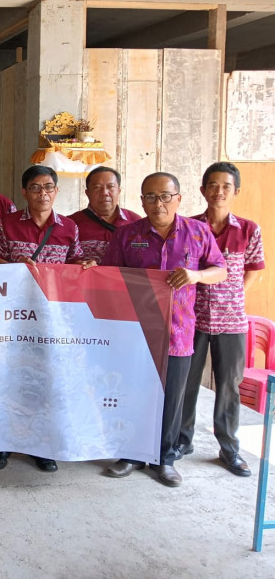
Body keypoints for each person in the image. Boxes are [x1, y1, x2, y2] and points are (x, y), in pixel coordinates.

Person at [103, 172, 226, 487]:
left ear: (179, 198)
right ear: (141, 200)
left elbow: (220, 270)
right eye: (150, 197)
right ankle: (131, 454)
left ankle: (165, 458)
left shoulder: (198, 233)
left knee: (172, 399)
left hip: (178, 332)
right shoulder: (127, 234)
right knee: (135, 394)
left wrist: (196, 276)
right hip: (136, 331)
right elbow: (109, 274)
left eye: (165, 196)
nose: (158, 203)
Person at [0, 165, 96, 473]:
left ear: (56, 191)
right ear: (24, 192)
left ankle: (41, 445)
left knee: (46, 380)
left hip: (51, 320)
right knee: (9, 379)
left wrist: (86, 264)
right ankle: (4, 444)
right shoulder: (7, 224)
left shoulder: (68, 228)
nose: (42, 193)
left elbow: (75, 264)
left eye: (48, 187)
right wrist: (14, 265)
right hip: (13, 318)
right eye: (35, 188)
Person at [179, 162, 265, 477]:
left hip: (232, 322)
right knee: (186, 382)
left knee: (229, 385)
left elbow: (254, 270)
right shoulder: (188, 226)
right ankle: (181, 440)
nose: (219, 192)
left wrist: (231, 297)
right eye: (212, 185)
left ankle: (229, 449)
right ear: (202, 190)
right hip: (191, 319)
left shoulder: (249, 229)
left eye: (226, 186)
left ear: (235, 191)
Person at [68, 166, 142, 263]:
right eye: (97, 187)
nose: (104, 193)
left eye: (111, 187)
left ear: (119, 191)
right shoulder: (71, 224)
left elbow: (145, 251)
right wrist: (76, 264)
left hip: (126, 278)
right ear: (87, 193)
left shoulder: (136, 221)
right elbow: (62, 261)